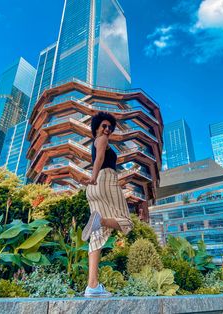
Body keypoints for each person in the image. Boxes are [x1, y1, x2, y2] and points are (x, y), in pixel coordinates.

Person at [81, 111, 133, 297]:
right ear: (96, 127)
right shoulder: (101, 139)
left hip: (93, 189)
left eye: (110, 127)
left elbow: (97, 159)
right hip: (105, 181)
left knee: (96, 238)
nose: (107, 129)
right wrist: (94, 177)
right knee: (126, 222)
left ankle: (92, 286)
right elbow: (101, 158)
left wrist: (92, 179)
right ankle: (101, 220)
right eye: (104, 126)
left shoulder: (94, 143)